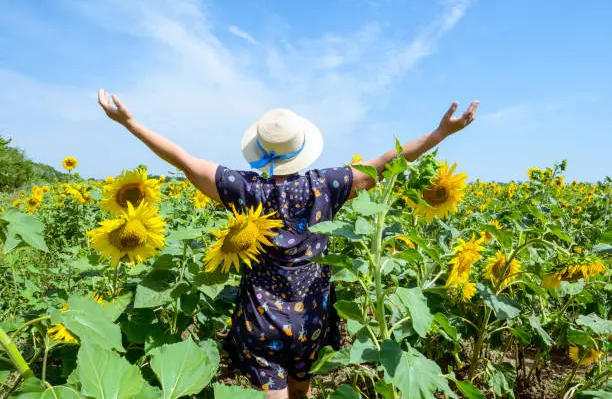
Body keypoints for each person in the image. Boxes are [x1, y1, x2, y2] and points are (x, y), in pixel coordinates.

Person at [97, 88, 478, 399]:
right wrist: (439, 134)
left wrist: (129, 122)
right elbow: (384, 162)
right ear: (303, 146)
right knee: (302, 388)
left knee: (272, 393)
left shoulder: (244, 187)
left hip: (260, 316)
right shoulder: (326, 184)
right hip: (310, 312)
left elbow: (183, 160)